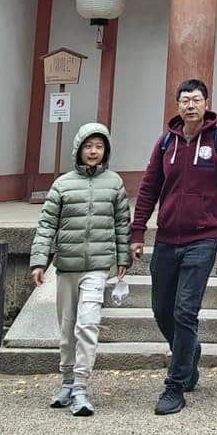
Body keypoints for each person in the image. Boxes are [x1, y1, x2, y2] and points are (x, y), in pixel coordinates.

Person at [129, 78, 217, 415]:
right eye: (184, 100)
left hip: (203, 238)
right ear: (177, 105)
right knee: (162, 309)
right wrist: (137, 232)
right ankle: (189, 353)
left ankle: (175, 385)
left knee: (184, 311)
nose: (190, 105)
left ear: (207, 103)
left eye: (196, 99)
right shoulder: (165, 143)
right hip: (166, 236)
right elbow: (149, 188)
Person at [29, 120, 130, 417]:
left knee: (87, 324)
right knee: (66, 328)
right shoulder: (62, 184)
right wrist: (39, 260)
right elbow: (47, 224)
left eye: (99, 146)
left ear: (106, 150)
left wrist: (122, 258)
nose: (94, 151)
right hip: (67, 265)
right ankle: (67, 380)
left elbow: (121, 223)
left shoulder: (114, 183)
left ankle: (82, 386)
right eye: (89, 146)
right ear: (78, 149)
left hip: (98, 265)